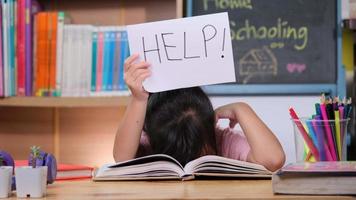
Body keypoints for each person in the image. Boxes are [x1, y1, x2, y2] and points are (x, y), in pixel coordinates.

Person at [113, 54, 285, 172]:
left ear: (212, 128)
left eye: (199, 151)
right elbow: (122, 158)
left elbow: (273, 160)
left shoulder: (223, 141)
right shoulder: (148, 140)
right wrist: (138, 99)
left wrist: (242, 109)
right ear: (150, 135)